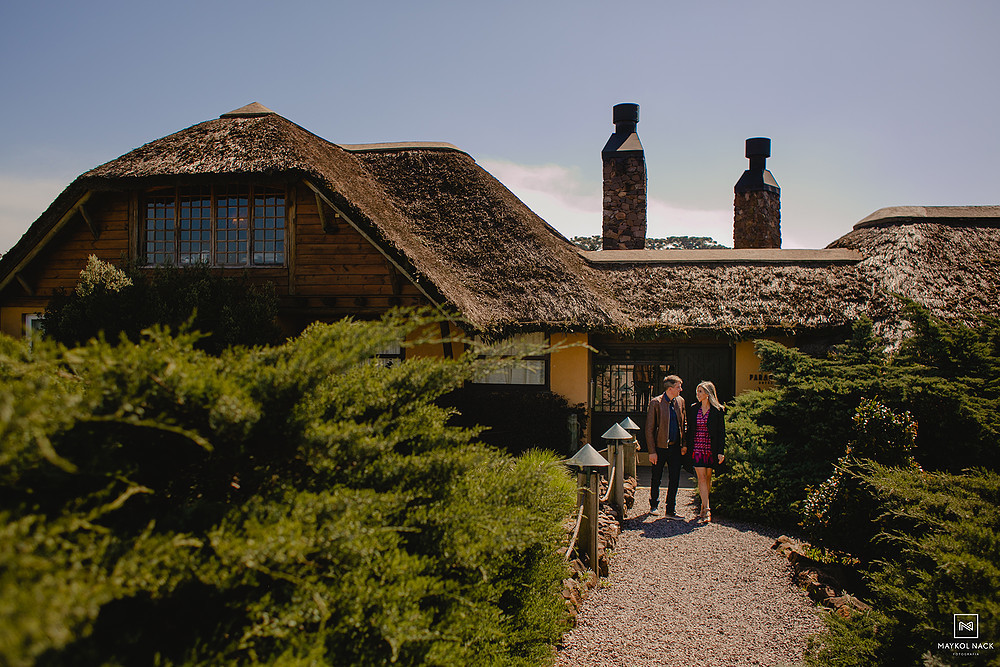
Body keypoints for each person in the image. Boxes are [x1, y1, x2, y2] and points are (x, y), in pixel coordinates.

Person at [682, 381, 726, 523]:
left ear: (708, 393)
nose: (698, 394)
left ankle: (703, 505)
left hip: (710, 447)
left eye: (700, 391)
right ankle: (707, 510)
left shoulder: (717, 410)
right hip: (698, 446)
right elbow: (689, 429)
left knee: (708, 477)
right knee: (701, 477)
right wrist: (686, 446)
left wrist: (720, 451)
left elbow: (721, 432)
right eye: (697, 391)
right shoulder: (694, 409)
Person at [645, 375, 686, 519]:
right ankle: (654, 505)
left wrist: (684, 444)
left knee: (675, 478)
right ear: (670, 389)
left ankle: (670, 510)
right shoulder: (656, 402)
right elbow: (649, 429)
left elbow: (683, 424)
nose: (681, 389)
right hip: (660, 448)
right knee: (656, 477)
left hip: (675, 447)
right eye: (678, 387)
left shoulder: (680, 401)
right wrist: (652, 451)